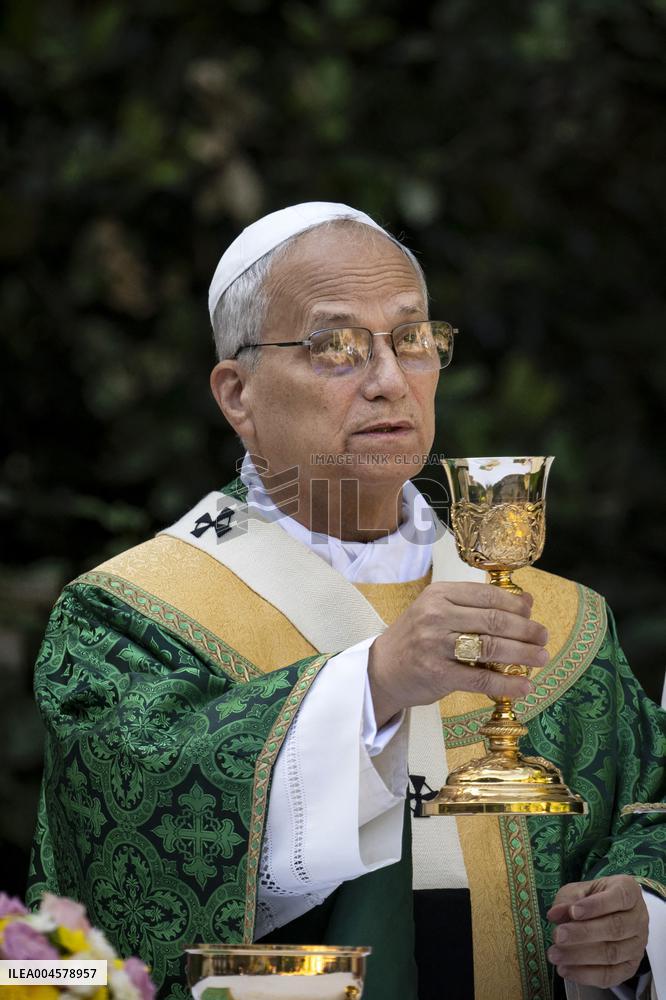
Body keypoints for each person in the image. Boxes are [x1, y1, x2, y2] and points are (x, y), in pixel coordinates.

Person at [28, 203, 665, 1000]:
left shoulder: (565, 624)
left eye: (413, 339)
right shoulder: (126, 616)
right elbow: (122, 861)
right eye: (335, 346)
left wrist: (641, 921)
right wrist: (372, 684)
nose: (390, 381)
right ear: (238, 394)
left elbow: (650, 812)